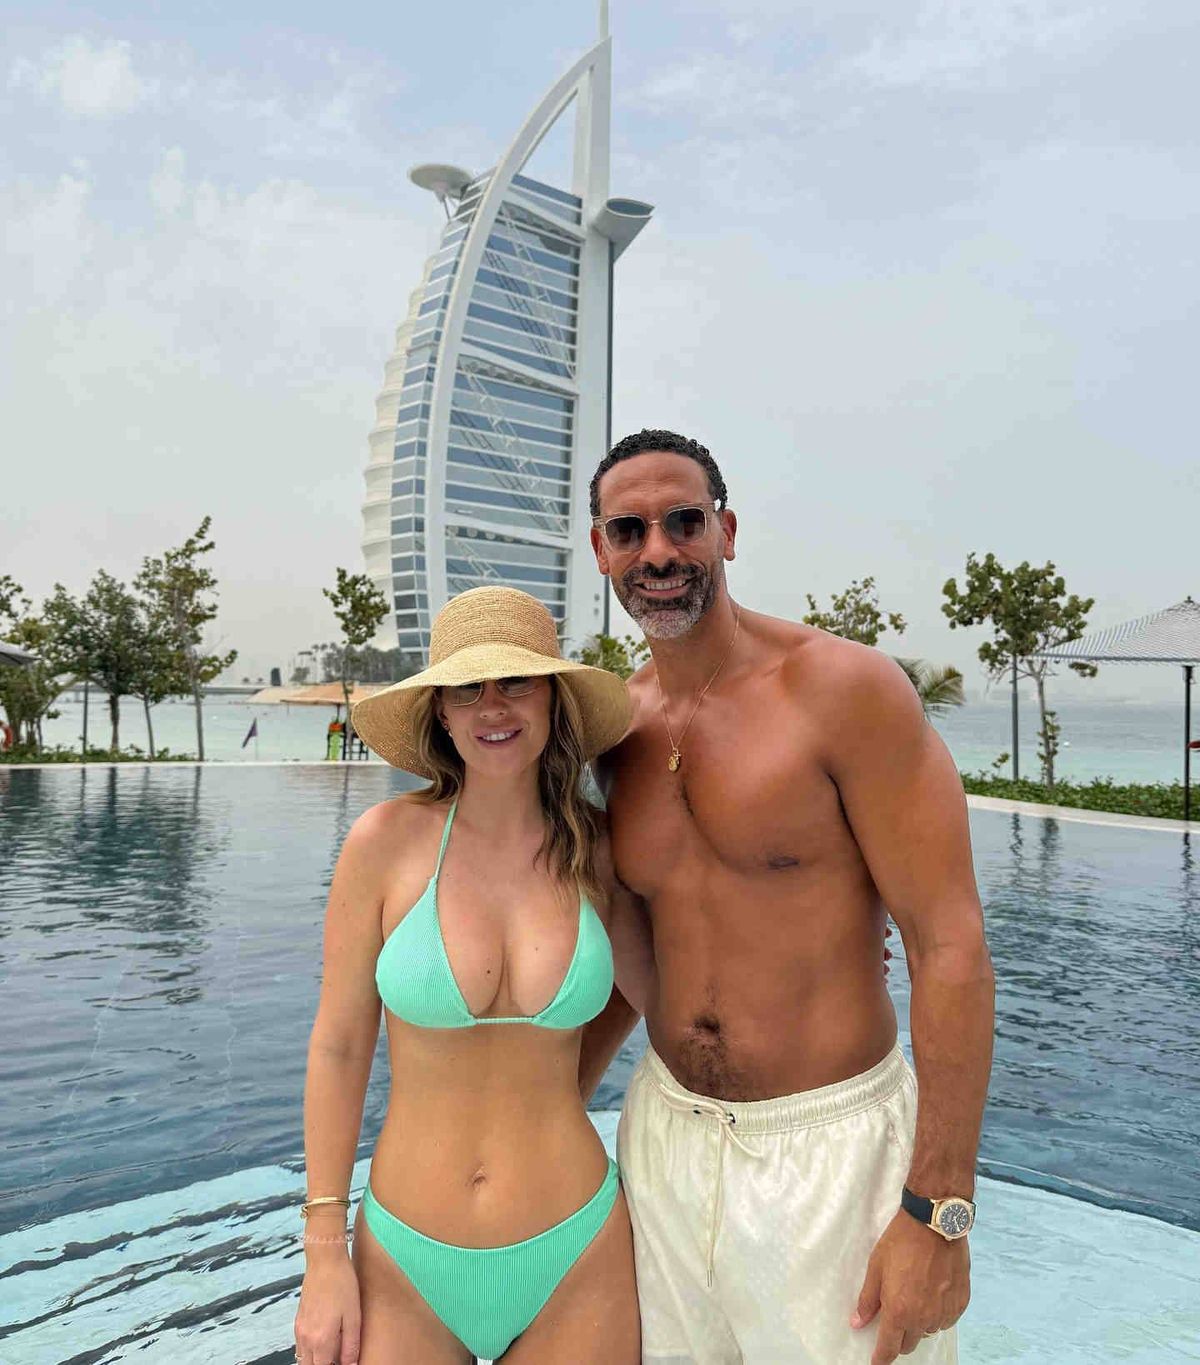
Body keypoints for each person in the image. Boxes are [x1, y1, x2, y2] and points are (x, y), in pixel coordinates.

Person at [579, 429, 996, 1365]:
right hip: (668, 1144)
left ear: (726, 531)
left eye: (684, 521)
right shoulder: (614, 731)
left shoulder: (841, 691)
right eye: (629, 528)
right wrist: (537, 1120)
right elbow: (629, 959)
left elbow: (949, 946)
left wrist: (939, 1209)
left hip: (832, 1155)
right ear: (600, 549)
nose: (658, 550)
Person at [293, 587, 649, 1364]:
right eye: (467, 687)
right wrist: (324, 1250)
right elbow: (339, 1047)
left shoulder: (598, 850)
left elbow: (664, 988)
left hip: (577, 1251)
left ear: (553, 701)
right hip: (405, 1260)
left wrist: (832, 925)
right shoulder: (383, 843)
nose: (493, 706)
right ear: (441, 712)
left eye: (516, 682)